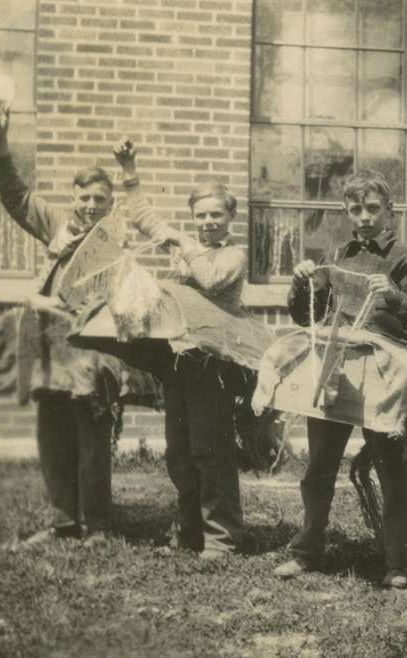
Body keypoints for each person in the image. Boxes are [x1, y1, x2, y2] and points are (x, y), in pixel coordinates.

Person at [0, 105, 158, 547]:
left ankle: (97, 526)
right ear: (73, 200)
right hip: (51, 349)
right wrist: (1, 141)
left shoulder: (115, 238)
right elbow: (16, 197)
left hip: (93, 351)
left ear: (109, 202)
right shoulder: (58, 227)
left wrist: (130, 171)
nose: (91, 205)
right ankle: (63, 522)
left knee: (91, 438)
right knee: (53, 435)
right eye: (84, 198)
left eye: (99, 199)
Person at [271, 169, 407, 588]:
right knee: (319, 466)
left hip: (382, 366)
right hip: (337, 364)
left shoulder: (403, 259)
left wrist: (394, 294)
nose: (364, 217)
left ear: (389, 212)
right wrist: (302, 284)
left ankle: (398, 562)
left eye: (373, 209)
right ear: (347, 212)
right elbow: (307, 314)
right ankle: (306, 550)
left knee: (389, 469)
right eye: (356, 209)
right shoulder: (339, 255)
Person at [113, 141, 263, 559]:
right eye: (201, 215)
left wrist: (181, 240)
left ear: (231, 217)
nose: (209, 222)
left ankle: (222, 538)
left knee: (210, 452)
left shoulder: (233, 255)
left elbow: (212, 280)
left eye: (217, 214)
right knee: (180, 454)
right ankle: (189, 533)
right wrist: (130, 170)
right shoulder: (187, 246)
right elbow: (146, 218)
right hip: (179, 363)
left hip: (213, 368)